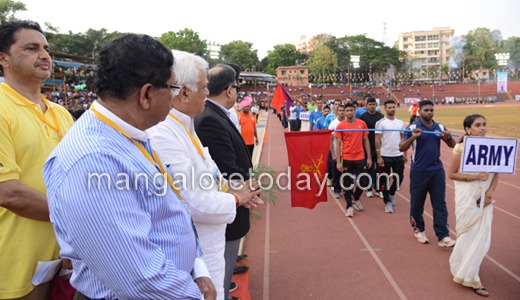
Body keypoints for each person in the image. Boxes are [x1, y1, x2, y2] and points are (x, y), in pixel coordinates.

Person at [43, 34, 216, 300]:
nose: (174, 97)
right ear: (146, 94)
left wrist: (196, 267)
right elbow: (139, 278)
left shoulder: (128, 135)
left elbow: (171, 208)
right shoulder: (94, 160)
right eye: (171, 88)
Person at [147, 51, 261, 300]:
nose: (209, 94)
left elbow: (211, 174)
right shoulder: (163, 134)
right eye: (204, 88)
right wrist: (236, 199)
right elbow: (190, 201)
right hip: (194, 254)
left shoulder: (185, 124)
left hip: (209, 247)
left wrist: (234, 190)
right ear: (184, 92)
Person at [0, 20, 74, 299]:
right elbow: (8, 193)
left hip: (61, 263)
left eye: (46, 49)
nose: (44, 55)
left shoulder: (61, 113)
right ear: (3, 58)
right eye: (31, 48)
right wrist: (76, 221)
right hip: (13, 266)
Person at [195, 64, 261, 300]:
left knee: (225, 265)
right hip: (229, 206)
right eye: (236, 86)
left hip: (233, 202)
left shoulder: (215, 114)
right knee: (221, 268)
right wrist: (250, 190)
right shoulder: (209, 119)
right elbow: (227, 168)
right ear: (228, 89)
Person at [448, 114, 498, 298]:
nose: (483, 128)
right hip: (467, 197)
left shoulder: (493, 147)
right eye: (478, 125)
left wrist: (489, 194)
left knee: (481, 237)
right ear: (468, 129)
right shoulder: (461, 148)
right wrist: (475, 177)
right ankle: (468, 274)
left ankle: (469, 269)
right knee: (468, 234)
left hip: (484, 199)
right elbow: (452, 174)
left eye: (484, 124)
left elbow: (496, 174)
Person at [399, 100, 457, 247]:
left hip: (437, 170)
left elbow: (453, 146)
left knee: (440, 203)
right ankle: (419, 230)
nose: (429, 112)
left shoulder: (440, 127)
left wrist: (448, 137)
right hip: (419, 171)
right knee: (417, 203)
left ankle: (443, 235)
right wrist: (413, 137)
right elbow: (401, 147)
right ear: (419, 111)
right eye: (426, 110)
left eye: (431, 110)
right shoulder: (412, 127)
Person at [334, 103, 372, 218]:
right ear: (344, 112)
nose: (349, 112)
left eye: (351, 110)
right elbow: (338, 144)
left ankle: (356, 198)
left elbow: (366, 141)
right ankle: (349, 206)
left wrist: (369, 157)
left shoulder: (362, 124)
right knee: (347, 184)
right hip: (346, 159)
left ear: (355, 111)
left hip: (360, 158)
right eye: (347, 110)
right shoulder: (340, 126)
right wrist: (338, 161)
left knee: (364, 182)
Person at [375, 100, 407, 213]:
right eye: (389, 107)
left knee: (400, 178)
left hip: (398, 155)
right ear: (385, 109)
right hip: (385, 155)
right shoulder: (381, 123)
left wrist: (404, 153)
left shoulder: (400, 122)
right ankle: (387, 201)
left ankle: (391, 193)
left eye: (393, 107)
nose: (391, 109)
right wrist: (379, 156)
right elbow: (377, 140)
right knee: (384, 179)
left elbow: (403, 139)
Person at [359, 97, 384, 198]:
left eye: (373, 104)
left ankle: (378, 189)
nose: (372, 106)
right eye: (370, 104)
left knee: (379, 169)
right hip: (367, 145)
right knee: (369, 168)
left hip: (379, 146)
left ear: (376, 105)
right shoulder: (363, 117)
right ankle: (368, 188)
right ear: (366, 105)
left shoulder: (381, 116)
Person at [328, 104, 346, 198]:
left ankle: (347, 190)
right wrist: (333, 154)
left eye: (344, 110)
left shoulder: (348, 123)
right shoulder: (333, 124)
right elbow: (330, 140)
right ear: (337, 112)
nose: (342, 112)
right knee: (336, 173)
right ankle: (337, 190)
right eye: (340, 110)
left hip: (347, 152)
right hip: (336, 152)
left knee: (347, 172)